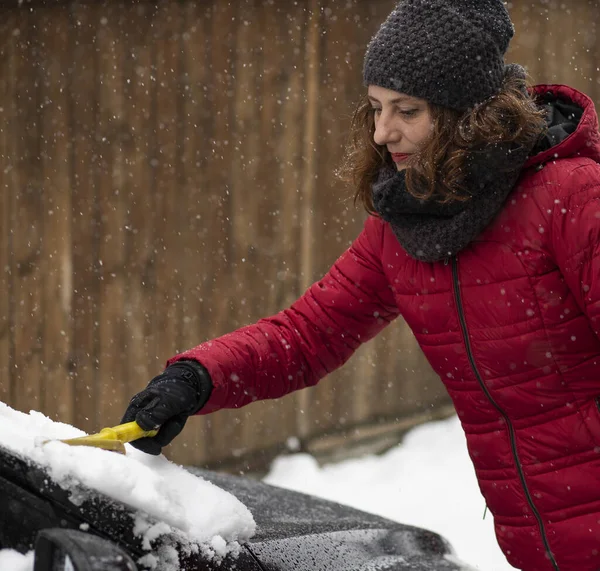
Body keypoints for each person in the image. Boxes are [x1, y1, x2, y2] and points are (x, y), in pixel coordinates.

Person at [121, 1, 600, 570]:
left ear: (467, 114)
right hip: (539, 544)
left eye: (407, 110)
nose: (382, 131)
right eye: (375, 108)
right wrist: (198, 378)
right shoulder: (405, 226)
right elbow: (308, 334)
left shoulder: (571, 197)